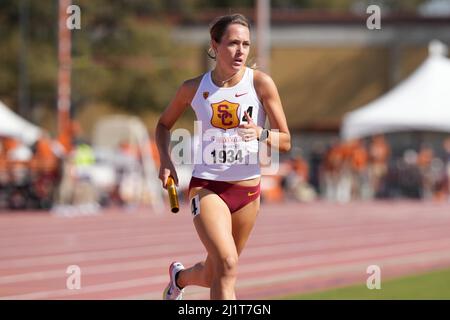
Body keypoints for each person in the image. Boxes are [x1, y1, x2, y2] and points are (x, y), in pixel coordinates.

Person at [155, 13, 291, 300]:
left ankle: (178, 278)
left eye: (245, 44)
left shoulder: (261, 84)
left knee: (216, 271)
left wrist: (261, 134)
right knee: (228, 265)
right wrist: (166, 161)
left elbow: (286, 141)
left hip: (247, 192)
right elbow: (163, 125)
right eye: (232, 43)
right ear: (214, 46)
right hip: (207, 187)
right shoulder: (193, 88)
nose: (240, 50)